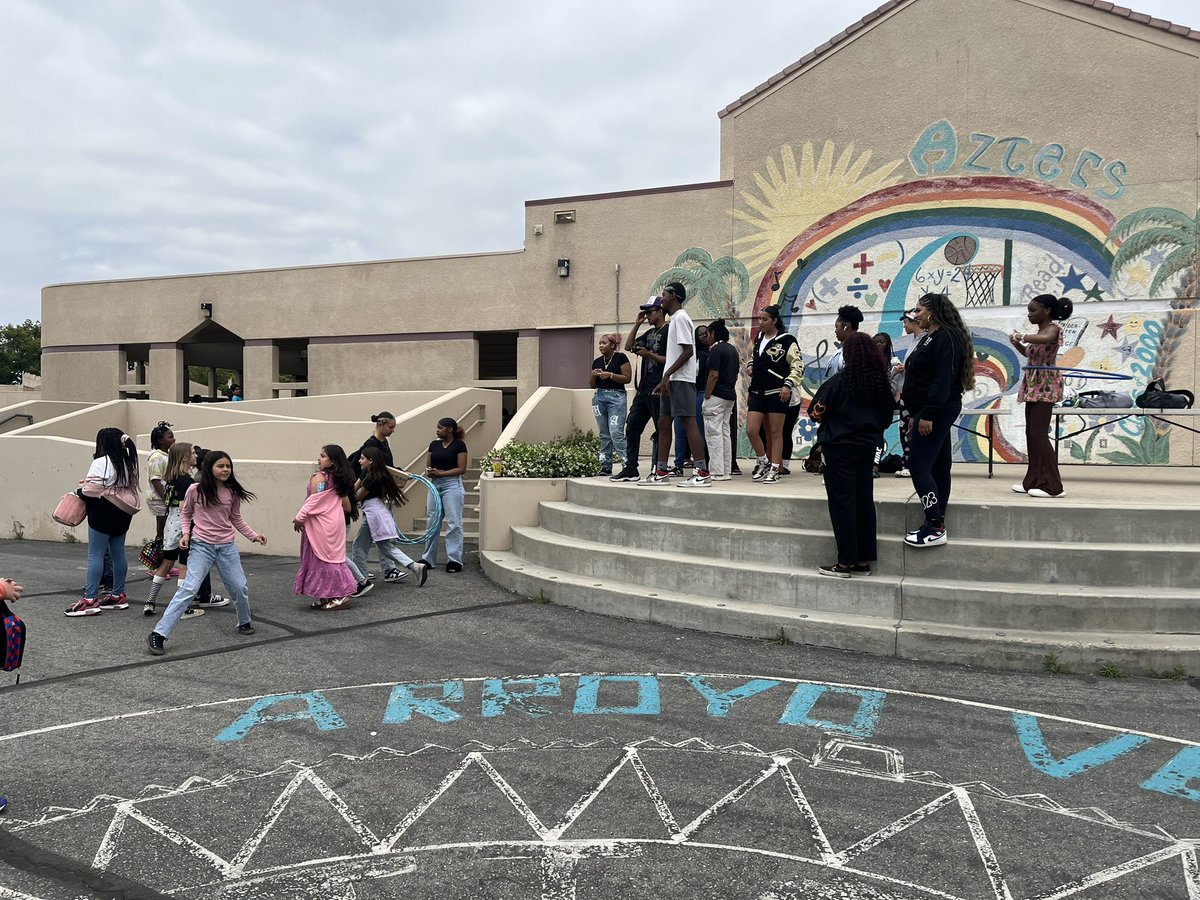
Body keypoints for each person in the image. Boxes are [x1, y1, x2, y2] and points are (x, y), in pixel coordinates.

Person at [147, 450, 267, 655]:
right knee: (189, 588)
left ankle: (244, 621)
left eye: (228, 466)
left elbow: (236, 518)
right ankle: (158, 633)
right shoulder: (195, 490)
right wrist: (185, 534)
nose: (225, 469)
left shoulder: (232, 492)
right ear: (209, 468)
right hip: (201, 546)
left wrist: (253, 536)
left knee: (239, 586)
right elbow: (186, 514)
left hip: (226, 547)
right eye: (221, 466)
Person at [809, 333, 896, 577]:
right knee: (863, 503)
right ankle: (863, 562)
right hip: (867, 448)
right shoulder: (880, 385)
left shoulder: (839, 382)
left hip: (839, 449)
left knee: (842, 504)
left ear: (849, 354)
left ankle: (845, 562)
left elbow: (816, 412)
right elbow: (887, 417)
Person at [902, 293, 974, 548]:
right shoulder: (931, 337)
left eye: (919, 310)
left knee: (918, 465)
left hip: (937, 409)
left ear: (932, 312)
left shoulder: (946, 337)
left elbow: (942, 380)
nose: (915, 314)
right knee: (939, 466)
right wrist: (916, 413)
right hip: (927, 410)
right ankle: (937, 519)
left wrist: (928, 414)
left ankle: (934, 525)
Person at [144, 442, 226, 617]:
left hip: (170, 525)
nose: (196, 456)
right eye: (192, 453)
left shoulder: (171, 479)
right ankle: (183, 608)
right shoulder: (187, 481)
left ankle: (150, 601)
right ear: (184, 458)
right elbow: (184, 507)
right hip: (184, 526)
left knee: (166, 563)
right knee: (184, 566)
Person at [68, 429, 139, 617]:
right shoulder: (128, 461)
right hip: (123, 511)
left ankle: (90, 600)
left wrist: (80, 491)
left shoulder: (101, 461)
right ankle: (118, 595)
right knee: (118, 552)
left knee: (96, 554)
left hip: (103, 511)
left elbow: (91, 490)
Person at [646, 283, 709, 487]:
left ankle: (702, 471)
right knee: (664, 423)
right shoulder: (675, 320)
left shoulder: (681, 318)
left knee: (689, 422)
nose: (661, 298)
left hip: (681, 380)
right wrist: (665, 378)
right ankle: (661, 471)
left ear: (673, 296)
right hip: (671, 381)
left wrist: (668, 375)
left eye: (663, 295)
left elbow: (688, 351)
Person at [1010, 294, 1072, 498]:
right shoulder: (1039, 332)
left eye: (1033, 310)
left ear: (1046, 311)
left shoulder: (1052, 329)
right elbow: (1030, 354)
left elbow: (1045, 340)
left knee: (1038, 433)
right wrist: (1017, 344)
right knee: (1031, 433)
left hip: (1045, 384)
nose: (1029, 314)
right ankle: (1033, 481)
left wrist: (1023, 337)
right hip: (1034, 383)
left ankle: (1054, 486)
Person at [294, 445, 359, 610]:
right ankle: (328, 596)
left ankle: (339, 596)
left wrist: (300, 518)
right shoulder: (338, 480)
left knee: (321, 559)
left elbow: (314, 501)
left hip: (320, 525)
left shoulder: (320, 478)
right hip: (334, 524)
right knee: (330, 558)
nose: (319, 459)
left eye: (323, 456)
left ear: (332, 461)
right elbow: (347, 507)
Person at [610, 297, 667, 482]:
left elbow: (673, 359)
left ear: (660, 311)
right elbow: (628, 346)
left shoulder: (669, 330)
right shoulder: (649, 332)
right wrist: (637, 324)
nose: (648, 315)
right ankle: (631, 468)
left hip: (659, 388)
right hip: (643, 389)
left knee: (661, 430)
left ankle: (659, 468)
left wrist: (649, 354)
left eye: (650, 312)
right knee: (632, 427)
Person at [354, 447, 428, 587]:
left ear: (371, 461)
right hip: (378, 513)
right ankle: (415, 566)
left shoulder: (372, 479)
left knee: (359, 547)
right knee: (385, 547)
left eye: (363, 458)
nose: (359, 461)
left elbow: (356, 496)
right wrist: (361, 476)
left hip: (373, 515)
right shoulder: (374, 475)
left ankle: (360, 580)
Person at [745, 304, 803, 484]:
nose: (760, 323)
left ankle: (775, 468)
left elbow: (798, 366)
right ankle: (763, 461)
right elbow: (757, 358)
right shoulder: (759, 338)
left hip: (777, 391)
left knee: (776, 431)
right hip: (757, 390)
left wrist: (788, 384)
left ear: (774, 321)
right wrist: (750, 365)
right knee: (751, 430)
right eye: (759, 319)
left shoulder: (787, 340)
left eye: (764, 319)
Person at [349, 412, 410, 581]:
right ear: (381, 425)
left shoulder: (383, 442)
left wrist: (400, 473)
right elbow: (364, 469)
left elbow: (386, 467)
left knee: (376, 539)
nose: (392, 430)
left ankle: (366, 572)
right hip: (373, 498)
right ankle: (386, 570)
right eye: (390, 427)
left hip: (376, 497)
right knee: (381, 540)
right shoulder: (371, 445)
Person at [420, 417, 468, 572]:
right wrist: (431, 472)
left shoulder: (459, 445)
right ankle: (428, 559)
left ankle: (454, 560)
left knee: (454, 522)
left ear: (449, 430)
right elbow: (428, 466)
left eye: (440, 428)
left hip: (452, 484)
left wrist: (442, 473)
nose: (437, 430)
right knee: (432, 520)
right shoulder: (434, 444)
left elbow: (461, 469)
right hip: (435, 484)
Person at [702, 318, 739, 481]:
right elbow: (736, 374)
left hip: (716, 396)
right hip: (730, 395)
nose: (706, 337)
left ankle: (717, 471)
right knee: (725, 432)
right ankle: (726, 470)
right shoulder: (733, 349)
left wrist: (707, 395)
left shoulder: (715, 350)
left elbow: (713, 374)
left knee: (713, 433)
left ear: (713, 333)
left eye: (707, 334)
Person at [589, 332, 631, 476]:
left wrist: (610, 375)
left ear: (613, 345)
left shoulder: (621, 358)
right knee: (604, 434)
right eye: (600, 343)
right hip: (599, 397)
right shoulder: (597, 361)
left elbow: (627, 378)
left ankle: (628, 464)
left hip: (617, 397)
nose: (601, 345)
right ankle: (606, 466)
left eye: (604, 343)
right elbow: (592, 385)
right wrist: (593, 375)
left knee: (616, 432)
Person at [672, 324, 710, 473]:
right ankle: (678, 464)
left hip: (700, 393)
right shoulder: (691, 353)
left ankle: (701, 463)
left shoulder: (710, 353)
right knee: (680, 430)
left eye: (707, 333)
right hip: (685, 393)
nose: (705, 336)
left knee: (699, 430)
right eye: (701, 334)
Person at [893, 309, 924, 478]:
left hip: (913, 396)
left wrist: (907, 368)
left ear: (914, 322)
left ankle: (912, 464)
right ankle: (908, 463)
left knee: (910, 430)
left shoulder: (923, 341)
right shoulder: (915, 341)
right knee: (904, 430)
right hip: (906, 393)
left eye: (906, 322)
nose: (904, 325)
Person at [871, 332, 904, 477]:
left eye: (882, 342)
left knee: (878, 435)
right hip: (869, 404)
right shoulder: (867, 361)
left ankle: (875, 466)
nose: (878, 344)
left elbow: (895, 388)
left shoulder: (894, 363)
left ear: (888, 344)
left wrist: (893, 374)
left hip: (884, 404)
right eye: (876, 342)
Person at [146, 421, 175, 545]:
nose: (174, 439)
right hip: (159, 499)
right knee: (163, 529)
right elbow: (156, 481)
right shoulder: (156, 457)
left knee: (166, 529)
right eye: (170, 437)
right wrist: (167, 500)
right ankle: (158, 555)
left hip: (165, 498)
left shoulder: (166, 455)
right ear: (160, 441)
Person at [826, 305, 864, 375]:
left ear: (845, 327)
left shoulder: (859, 351)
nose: (835, 331)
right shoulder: (840, 352)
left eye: (837, 327)